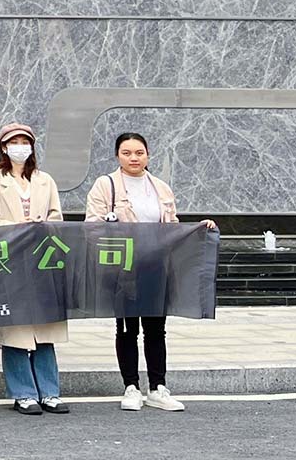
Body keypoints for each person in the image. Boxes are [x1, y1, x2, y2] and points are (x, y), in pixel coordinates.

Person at [86, 132, 215, 414]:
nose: (134, 158)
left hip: (157, 268)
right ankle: (130, 386)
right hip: (123, 268)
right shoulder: (105, 185)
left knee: (156, 330)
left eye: (139, 152)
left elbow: (172, 227)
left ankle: (158, 387)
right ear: (117, 155)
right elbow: (92, 227)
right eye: (127, 152)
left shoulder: (160, 187)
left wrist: (198, 230)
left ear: (148, 154)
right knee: (127, 329)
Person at [0, 124, 69, 416]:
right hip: (10, 260)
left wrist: (43, 227)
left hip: (42, 260)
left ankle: (49, 391)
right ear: (4, 148)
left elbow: (57, 216)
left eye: (24, 142)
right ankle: (23, 393)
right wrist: (16, 230)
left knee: (45, 330)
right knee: (15, 330)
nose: (20, 147)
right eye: (13, 142)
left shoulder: (45, 180)